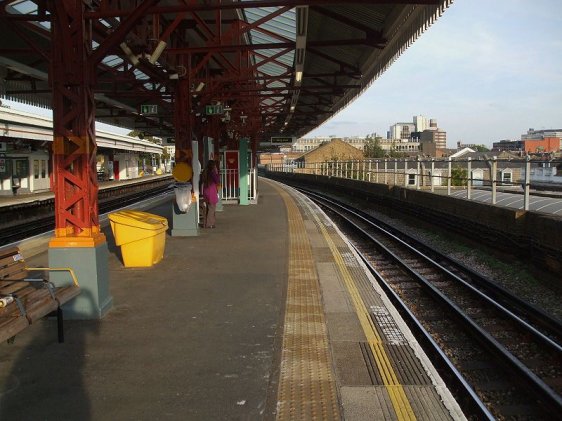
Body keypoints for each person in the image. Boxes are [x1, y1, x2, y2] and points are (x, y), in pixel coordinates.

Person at [201, 159, 220, 228]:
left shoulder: (205, 172)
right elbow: (217, 181)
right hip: (211, 191)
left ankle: (206, 223)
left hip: (205, 191)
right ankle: (209, 224)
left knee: (207, 208)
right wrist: (216, 172)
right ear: (213, 166)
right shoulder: (212, 173)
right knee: (212, 208)